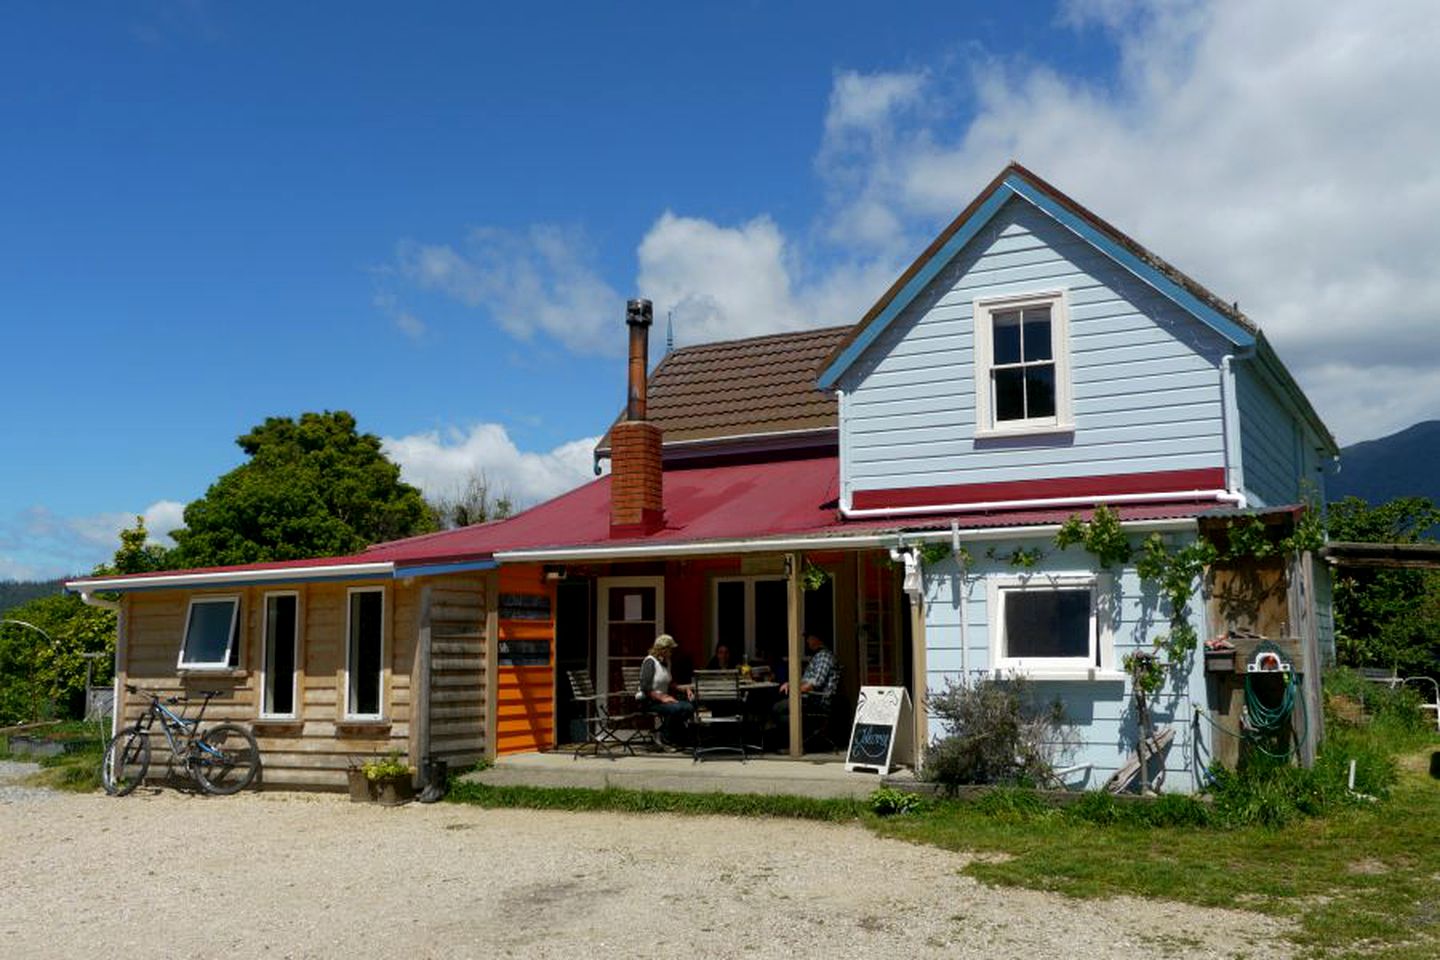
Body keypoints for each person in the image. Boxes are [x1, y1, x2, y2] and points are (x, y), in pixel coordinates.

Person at [769, 633, 838, 745]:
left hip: (816, 702)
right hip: (807, 699)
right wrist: (790, 684)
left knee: (778, 708)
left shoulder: (824, 656)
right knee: (776, 704)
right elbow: (806, 681)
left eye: (809, 638)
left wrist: (794, 689)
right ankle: (788, 742)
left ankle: (794, 744)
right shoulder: (818, 656)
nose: (807, 641)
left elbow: (815, 683)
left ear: (817, 639)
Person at [637, 634, 694, 750]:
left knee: (689, 707)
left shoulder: (666, 663)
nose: (672, 652)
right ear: (663, 649)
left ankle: (662, 734)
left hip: (663, 700)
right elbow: (645, 686)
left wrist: (687, 689)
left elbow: (671, 683)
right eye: (670, 649)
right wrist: (662, 698)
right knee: (676, 708)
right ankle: (666, 738)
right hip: (649, 700)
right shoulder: (650, 661)